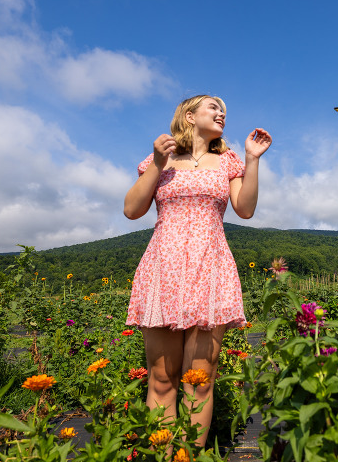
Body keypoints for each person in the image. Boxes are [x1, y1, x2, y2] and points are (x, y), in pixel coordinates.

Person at [123, 95, 272, 446]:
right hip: (164, 267)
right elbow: (131, 210)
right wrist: (159, 163)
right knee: (161, 378)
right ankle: (165, 453)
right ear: (189, 115)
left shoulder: (228, 161)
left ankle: (190, 453)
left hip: (210, 266)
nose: (221, 113)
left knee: (199, 380)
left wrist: (252, 160)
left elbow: (245, 210)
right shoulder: (162, 159)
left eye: (224, 111)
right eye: (213, 108)